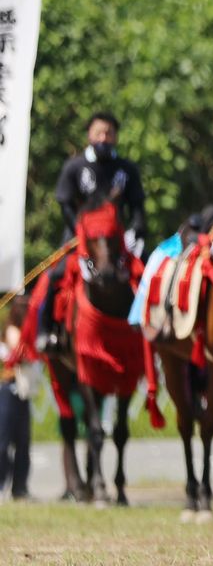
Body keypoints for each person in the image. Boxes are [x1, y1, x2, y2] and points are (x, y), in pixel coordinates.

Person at [37, 111, 146, 353]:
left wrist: (137, 230)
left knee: (149, 271)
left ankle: (152, 326)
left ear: (116, 137)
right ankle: (47, 331)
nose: (104, 137)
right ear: (89, 134)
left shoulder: (126, 169)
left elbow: (137, 205)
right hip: (80, 238)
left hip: (118, 241)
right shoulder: (75, 167)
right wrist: (78, 230)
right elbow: (65, 203)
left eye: (109, 133)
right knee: (56, 276)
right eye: (99, 132)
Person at [0, 296, 36, 500]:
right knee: (3, 441)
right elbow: (20, 352)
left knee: (23, 441)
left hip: (23, 390)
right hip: (8, 388)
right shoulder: (13, 330)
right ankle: (1, 483)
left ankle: (19, 486)